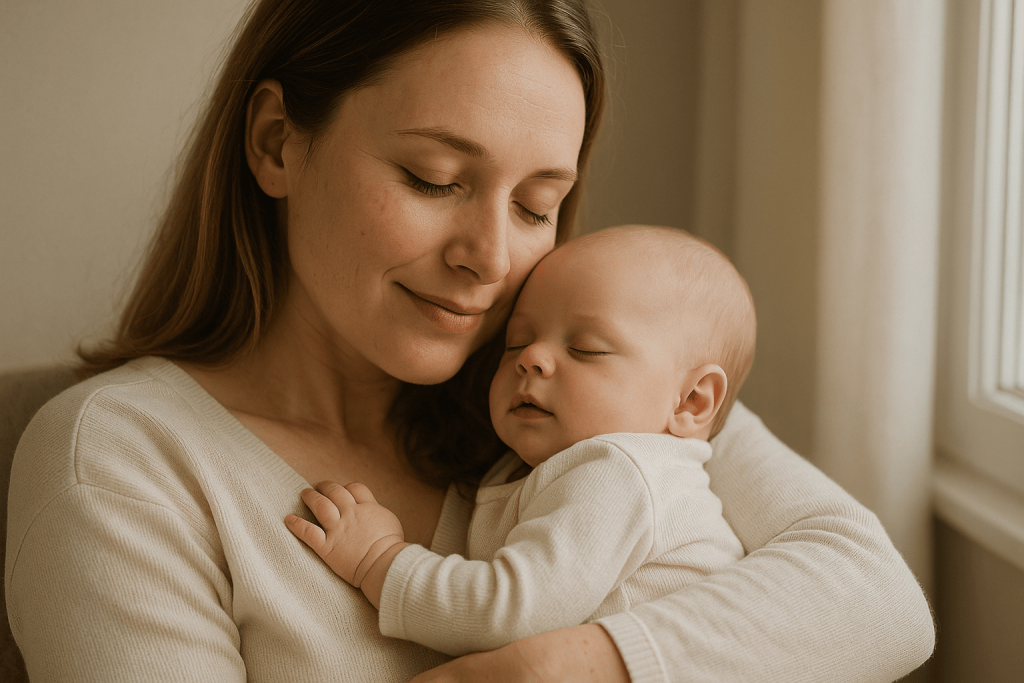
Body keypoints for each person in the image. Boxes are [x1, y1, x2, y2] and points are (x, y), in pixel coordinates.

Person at [5, 1, 934, 682]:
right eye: (434, 177)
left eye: (537, 205)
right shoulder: (122, 458)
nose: (490, 259)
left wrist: (572, 666)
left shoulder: (583, 389)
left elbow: (881, 601)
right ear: (278, 141)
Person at [286, 225, 753, 656]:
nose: (532, 358)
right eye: (516, 342)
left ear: (691, 401)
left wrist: (379, 560)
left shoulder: (619, 473)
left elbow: (506, 613)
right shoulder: (539, 462)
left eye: (585, 349)